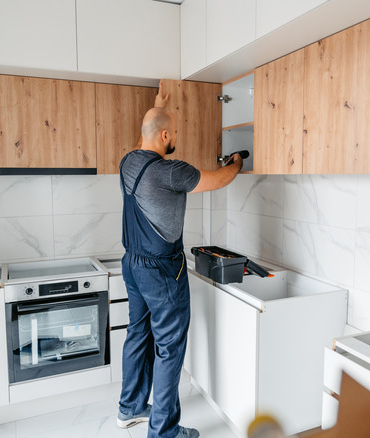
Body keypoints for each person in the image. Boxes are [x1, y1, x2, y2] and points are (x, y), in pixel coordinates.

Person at [116, 83, 243, 438]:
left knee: (139, 334)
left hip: (132, 265)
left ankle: (130, 408)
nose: (177, 140)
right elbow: (218, 180)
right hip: (160, 270)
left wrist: (158, 107)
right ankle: (164, 432)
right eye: (175, 134)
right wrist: (237, 161)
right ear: (166, 135)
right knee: (169, 348)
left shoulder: (128, 161)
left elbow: (149, 130)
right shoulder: (172, 171)